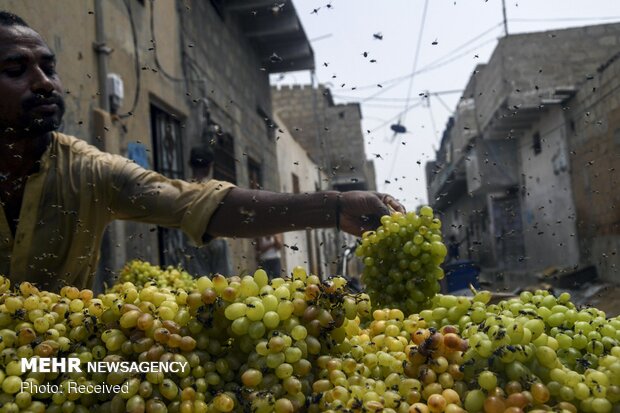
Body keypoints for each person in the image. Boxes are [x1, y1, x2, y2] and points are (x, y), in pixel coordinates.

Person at [0, 11, 405, 291]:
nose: (45, 83)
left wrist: (333, 207)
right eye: (16, 70)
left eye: (48, 68)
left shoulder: (87, 171)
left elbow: (199, 203)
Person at [183, 146, 233, 277]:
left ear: (190, 164)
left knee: (200, 289)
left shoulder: (184, 189)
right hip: (217, 240)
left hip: (194, 243)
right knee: (223, 285)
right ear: (210, 166)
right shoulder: (217, 188)